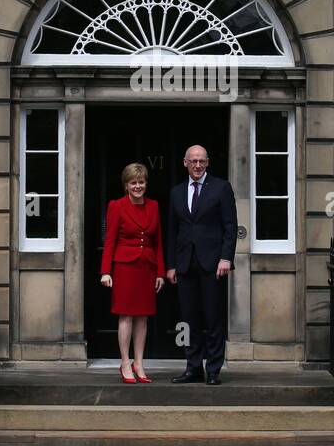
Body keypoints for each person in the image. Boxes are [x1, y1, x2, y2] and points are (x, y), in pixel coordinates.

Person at [165, 145, 238, 385]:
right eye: (193, 161)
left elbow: (230, 227)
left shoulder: (221, 188)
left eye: (202, 161)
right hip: (185, 265)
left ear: (207, 163)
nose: (198, 165)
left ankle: (214, 370)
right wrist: (171, 265)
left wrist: (226, 258)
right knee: (188, 319)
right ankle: (193, 367)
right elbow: (172, 231)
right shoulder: (176, 192)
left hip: (213, 264)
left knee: (213, 318)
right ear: (185, 162)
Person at [100, 162, 165, 384]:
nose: (138, 186)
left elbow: (158, 243)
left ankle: (139, 362)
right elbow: (109, 241)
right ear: (126, 185)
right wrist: (105, 271)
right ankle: (125, 362)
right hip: (125, 267)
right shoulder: (116, 206)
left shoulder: (154, 206)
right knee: (125, 315)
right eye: (133, 183)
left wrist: (160, 273)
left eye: (141, 182)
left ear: (146, 184)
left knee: (143, 317)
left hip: (147, 267)